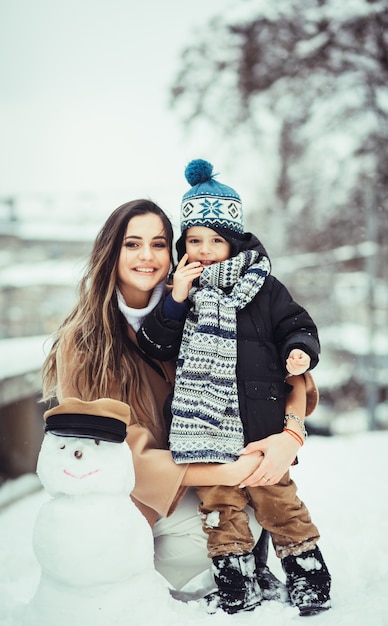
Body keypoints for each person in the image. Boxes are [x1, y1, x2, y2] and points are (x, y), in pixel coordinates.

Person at [41, 198, 280, 601]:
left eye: (158, 243)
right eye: (132, 244)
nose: (147, 256)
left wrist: (290, 434)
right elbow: (107, 453)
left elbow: (280, 371)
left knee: (256, 505)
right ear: (111, 252)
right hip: (129, 499)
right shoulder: (82, 341)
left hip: (190, 475)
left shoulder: (199, 306)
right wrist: (224, 473)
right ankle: (130, 587)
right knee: (239, 517)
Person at [137, 161, 332, 616]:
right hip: (202, 428)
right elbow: (155, 345)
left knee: (279, 503)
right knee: (219, 510)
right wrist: (176, 299)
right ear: (183, 246)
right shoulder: (177, 294)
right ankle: (235, 582)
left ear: (234, 242)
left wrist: (300, 350)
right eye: (194, 240)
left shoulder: (263, 288)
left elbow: (296, 324)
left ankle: (308, 576)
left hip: (261, 427)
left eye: (216, 240)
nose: (204, 251)